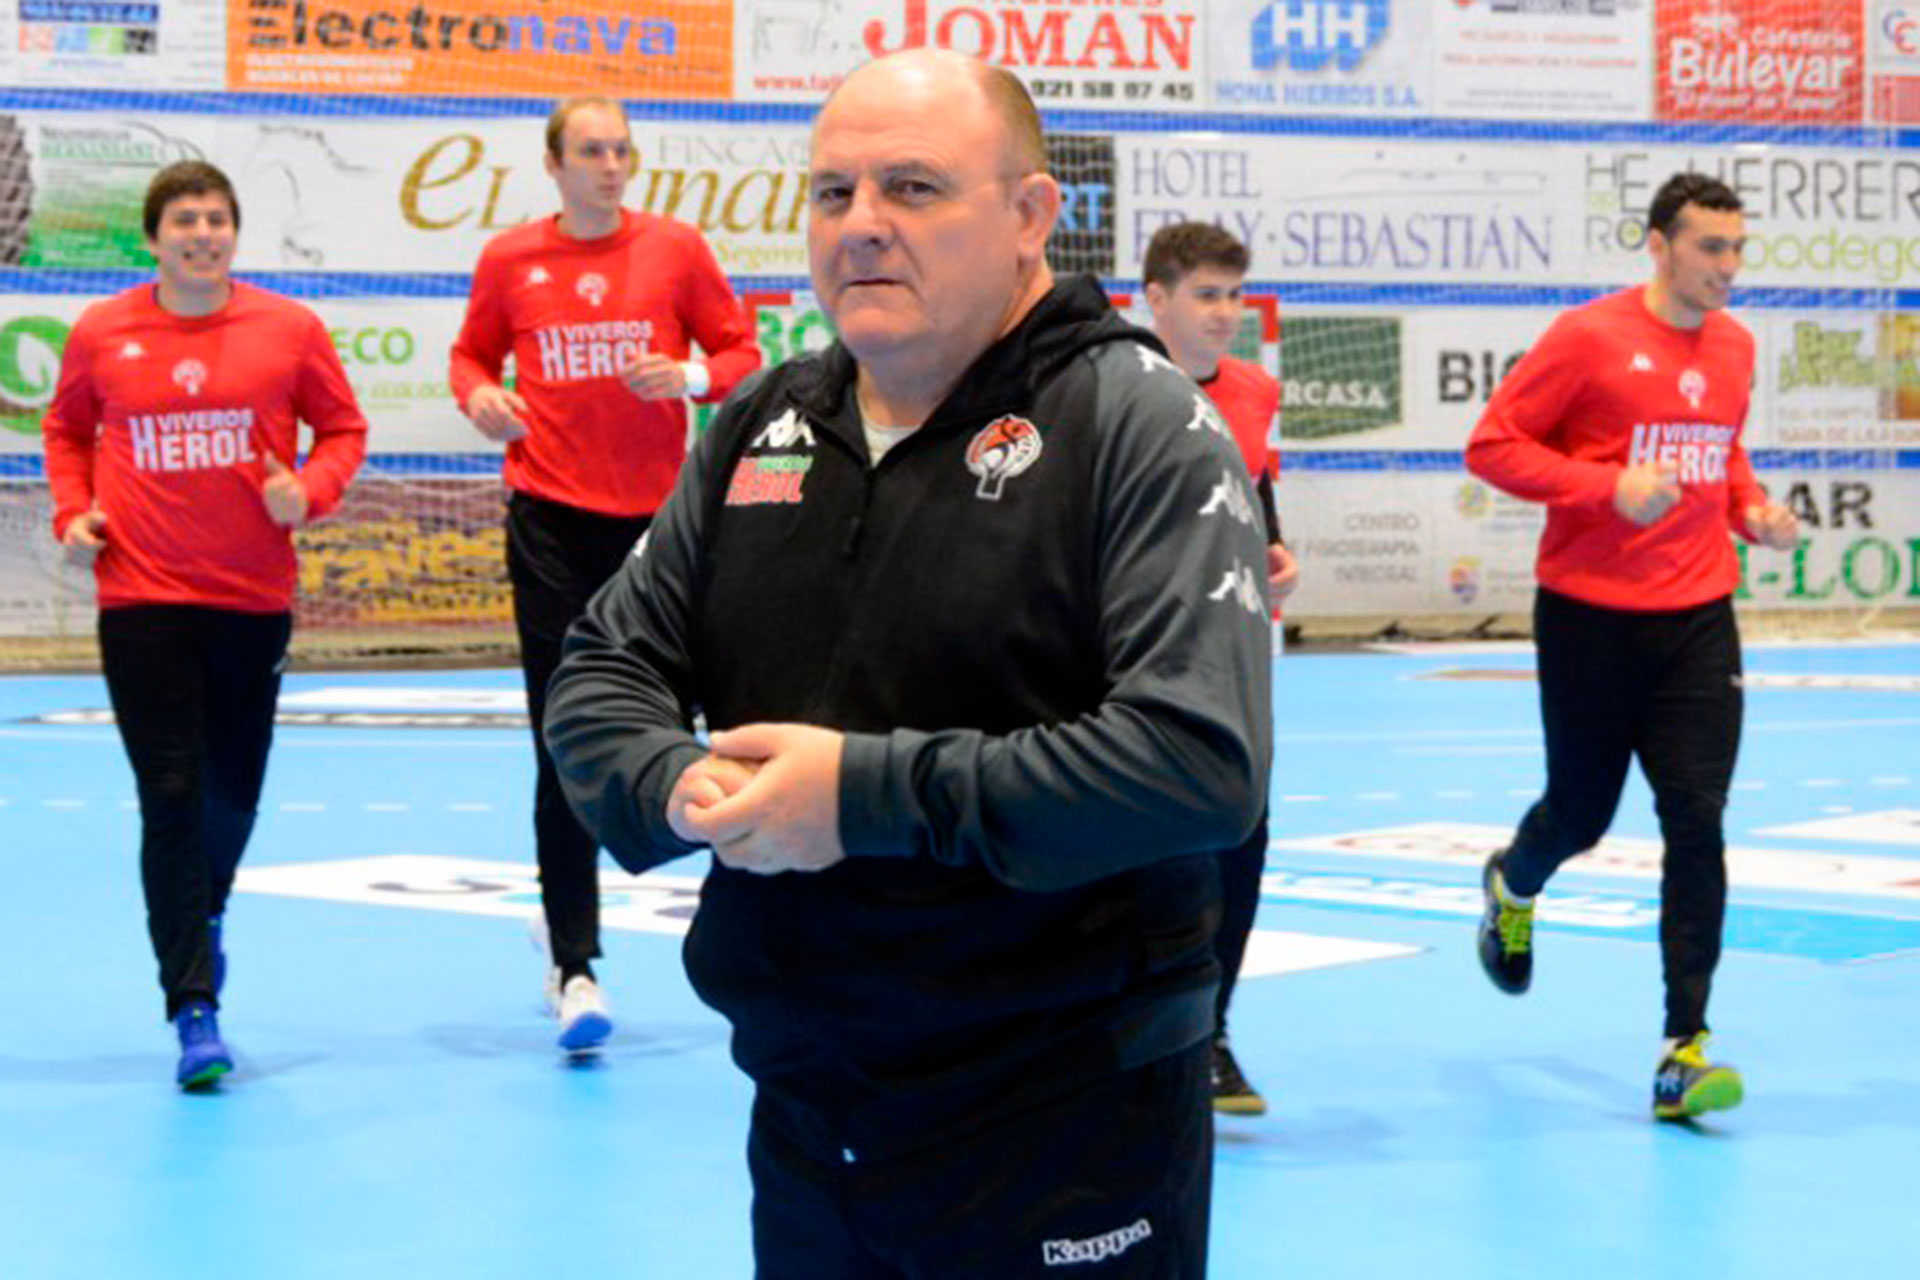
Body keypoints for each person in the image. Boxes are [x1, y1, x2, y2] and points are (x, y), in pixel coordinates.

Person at [545, 50, 1271, 1277]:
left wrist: (862, 796)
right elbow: (603, 663)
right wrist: (674, 780)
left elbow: (1197, 760)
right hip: (810, 1115)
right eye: (834, 194)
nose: (863, 228)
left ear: (1031, 215)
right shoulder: (769, 423)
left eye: (914, 189)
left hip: (1064, 1122)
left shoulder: (1135, 420)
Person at [1465, 172, 1799, 1122]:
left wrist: (1752, 512)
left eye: (1738, 249)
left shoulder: (1733, 348)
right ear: (1659, 246)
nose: (1728, 268)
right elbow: (1493, 447)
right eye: (1709, 249)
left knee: (1697, 819)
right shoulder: (1589, 338)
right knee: (1581, 815)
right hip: (1589, 616)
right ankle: (1512, 882)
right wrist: (1602, 488)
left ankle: (1682, 1049)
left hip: (1699, 615)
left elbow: (1719, 455)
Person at [42, 159, 368, 1089]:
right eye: (183, 219)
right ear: (154, 237)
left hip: (251, 599)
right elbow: (65, 432)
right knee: (172, 792)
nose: (201, 233)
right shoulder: (104, 332)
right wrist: (74, 513)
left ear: (234, 231)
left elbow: (344, 430)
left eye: (216, 218)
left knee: (233, 792)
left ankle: (206, 913)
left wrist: (306, 492)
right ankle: (193, 1005)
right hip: (139, 598)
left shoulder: (287, 330)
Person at [449, 95, 760, 1053]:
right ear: (555, 164)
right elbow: (468, 357)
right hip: (548, 523)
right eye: (593, 151)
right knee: (562, 741)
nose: (612, 165)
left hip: (663, 530)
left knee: (713, 728)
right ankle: (575, 965)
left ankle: (749, 934)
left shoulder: (673, 248)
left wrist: (694, 381)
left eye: (622, 150)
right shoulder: (512, 259)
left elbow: (741, 352)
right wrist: (483, 398)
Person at [1142, 221, 1297, 1118]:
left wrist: (1276, 553)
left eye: (1235, 295)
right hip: (1140, 653)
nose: (1226, 313)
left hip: (1233, 651)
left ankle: (1212, 1035)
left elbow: (1256, 499)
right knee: (1148, 846)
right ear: (1155, 299)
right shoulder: (1114, 383)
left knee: (1242, 839)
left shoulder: (1254, 392)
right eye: (1207, 294)